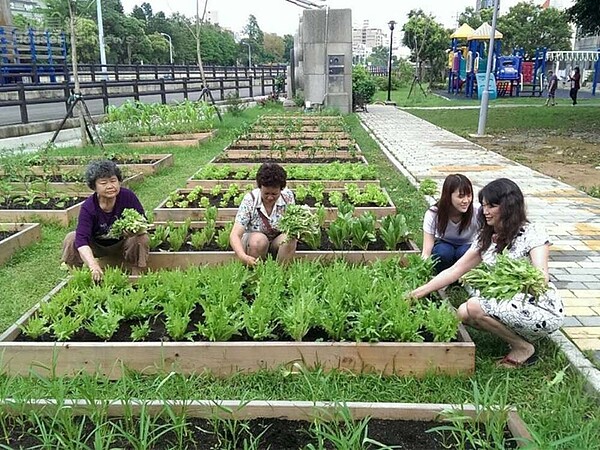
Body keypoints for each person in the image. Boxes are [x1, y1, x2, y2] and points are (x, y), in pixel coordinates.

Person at [411, 178, 564, 368]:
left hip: (538, 306)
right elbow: (455, 270)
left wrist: (506, 280)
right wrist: (417, 293)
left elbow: (542, 277)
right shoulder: (487, 237)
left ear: (509, 207)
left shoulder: (532, 233)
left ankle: (523, 348)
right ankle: (515, 335)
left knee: (474, 305)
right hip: (507, 304)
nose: (485, 211)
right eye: (484, 205)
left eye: (492, 206)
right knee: (463, 313)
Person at [62, 159, 149, 282]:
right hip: (97, 246)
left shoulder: (128, 196)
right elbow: (81, 240)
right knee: (72, 238)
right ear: (94, 187)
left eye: (113, 181)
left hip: (123, 244)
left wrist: (135, 231)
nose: (110, 186)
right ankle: (76, 276)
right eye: (103, 183)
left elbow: (143, 221)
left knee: (142, 238)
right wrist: (93, 266)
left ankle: (136, 275)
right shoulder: (89, 207)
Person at [230, 162, 297, 265]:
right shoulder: (250, 200)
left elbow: (293, 225)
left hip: (276, 241)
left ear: (281, 189)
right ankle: (256, 274)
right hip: (253, 242)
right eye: (266, 193)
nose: (270, 197)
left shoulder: (287, 197)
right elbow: (235, 234)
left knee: (290, 238)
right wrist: (243, 256)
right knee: (259, 240)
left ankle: (280, 275)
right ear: (260, 188)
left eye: (274, 194)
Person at [421, 174, 479, 274]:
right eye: (460, 196)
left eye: (469, 196)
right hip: (444, 244)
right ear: (448, 196)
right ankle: (441, 276)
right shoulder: (433, 214)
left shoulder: (477, 212)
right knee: (443, 252)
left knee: (464, 252)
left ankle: (460, 277)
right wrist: (422, 271)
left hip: (467, 246)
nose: (466, 201)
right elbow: (426, 250)